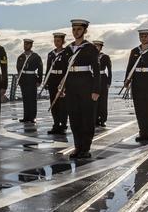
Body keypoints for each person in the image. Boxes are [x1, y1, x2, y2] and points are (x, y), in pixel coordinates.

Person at [61, 19, 100, 158]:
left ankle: (85, 148)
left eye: (78, 29)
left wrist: (96, 90)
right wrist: (63, 86)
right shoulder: (68, 49)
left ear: (85, 31)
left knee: (87, 118)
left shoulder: (90, 48)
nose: (75, 32)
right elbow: (65, 70)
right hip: (71, 85)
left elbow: (96, 70)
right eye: (74, 29)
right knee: (74, 117)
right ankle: (77, 147)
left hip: (86, 84)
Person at [45, 32, 68, 135]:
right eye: (55, 40)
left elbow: (68, 69)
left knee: (63, 104)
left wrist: (66, 83)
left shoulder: (66, 53)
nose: (56, 42)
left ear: (63, 41)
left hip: (61, 79)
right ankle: (55, 124)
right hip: (52, 80)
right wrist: (46, 81)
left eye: (58, 41)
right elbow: (48, 69)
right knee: (53, 103)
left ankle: (63, 125)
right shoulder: (51, 54)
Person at [16, 39, 43, 123]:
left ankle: (33, 117)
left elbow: (40, 69)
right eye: (24, 44)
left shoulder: (35, 56)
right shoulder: (21, 56)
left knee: (32, 98)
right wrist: (19, 79)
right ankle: (26, 117)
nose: (25, 46)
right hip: (23, 78)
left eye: (27, 44)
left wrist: (39, 80)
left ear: (31, 45)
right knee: (25, 98)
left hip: (32, 78)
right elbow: (18, 68)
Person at [92, 40, 112, 128]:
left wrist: (109, 81)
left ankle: (103, 119)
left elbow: (110, 70)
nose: (96, 48)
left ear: (101, 47)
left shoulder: (105, 57)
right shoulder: (91, 56)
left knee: (103, 101)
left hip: (103, 78)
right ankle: (94, 119)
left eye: (98, 46)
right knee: (93, 100)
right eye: (95, 46)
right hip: (93, 78)